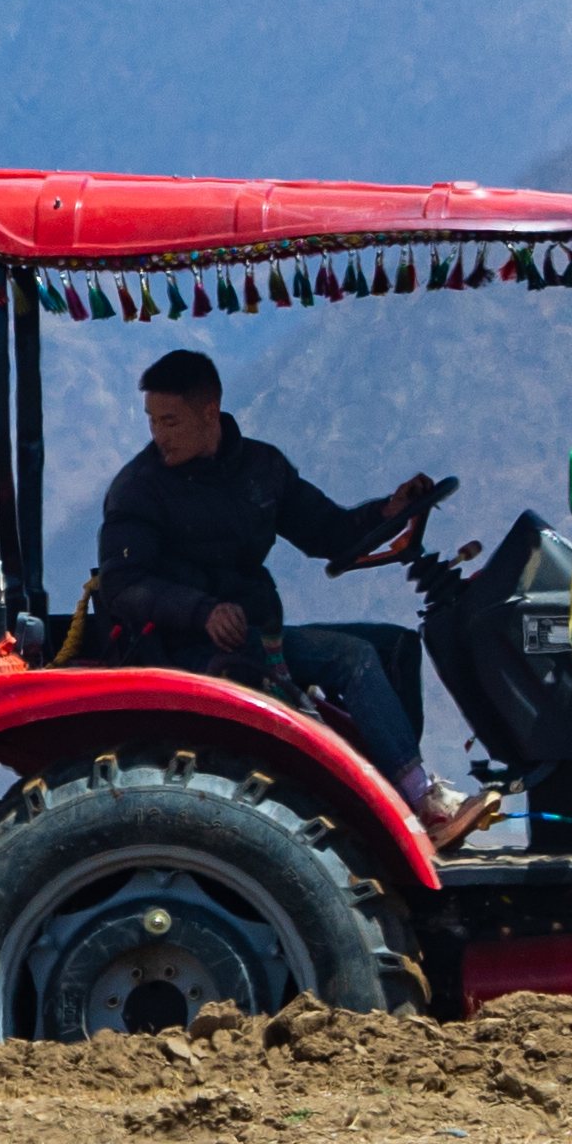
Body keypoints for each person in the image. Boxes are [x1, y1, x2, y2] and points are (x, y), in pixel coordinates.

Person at [81, 349, 492, 843]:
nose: (159, 435)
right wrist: (202, 611)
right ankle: (423, 805)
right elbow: (123, 583)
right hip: (188, 651)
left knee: (396, 646)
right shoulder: (139, 489)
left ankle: (395, 792)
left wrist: (389, 510)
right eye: (152, 421)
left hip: (258, 633)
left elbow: (328, 532)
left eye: (170, 421)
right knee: (352, 657)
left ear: (209, 412)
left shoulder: (261, 468)